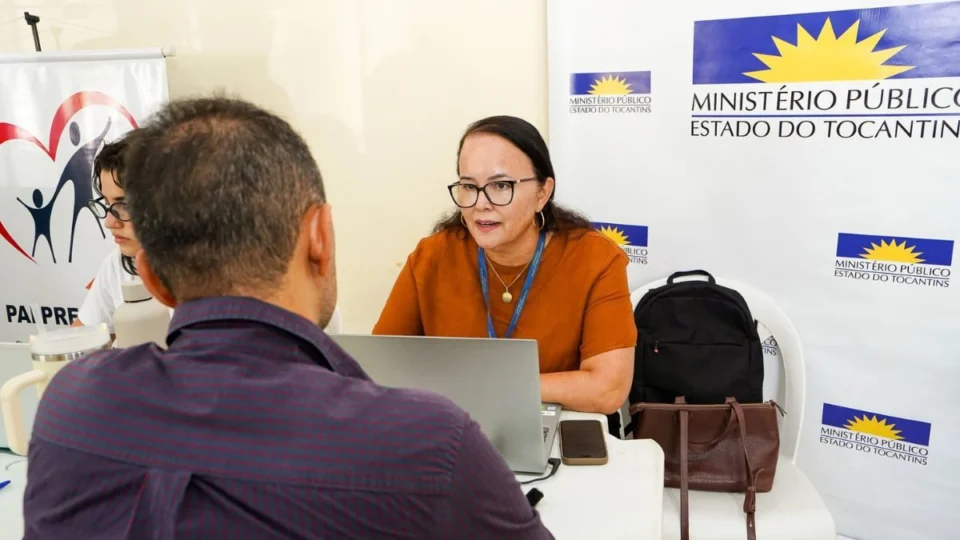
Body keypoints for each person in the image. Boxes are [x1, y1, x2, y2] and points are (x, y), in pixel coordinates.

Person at [23, 96, 552, 540]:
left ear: (154, 280)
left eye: (501, 185)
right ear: (319, 237)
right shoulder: (431, 444)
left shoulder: (68, 409)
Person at [374, 115, 636, 416]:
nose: (480, 204)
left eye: (500, 186)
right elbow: (381, 368)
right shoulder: (432, 257)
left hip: (553, 431)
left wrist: (489, 386)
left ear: (542, 192)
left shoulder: (595, 259)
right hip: (455, 426)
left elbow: (607, 389)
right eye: (469, 187)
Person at [74, 137, 340, 335]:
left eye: (123, 205)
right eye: (107, 204)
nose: (109, 222)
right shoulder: (118, 264)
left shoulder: (244, 273)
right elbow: (79, 336)